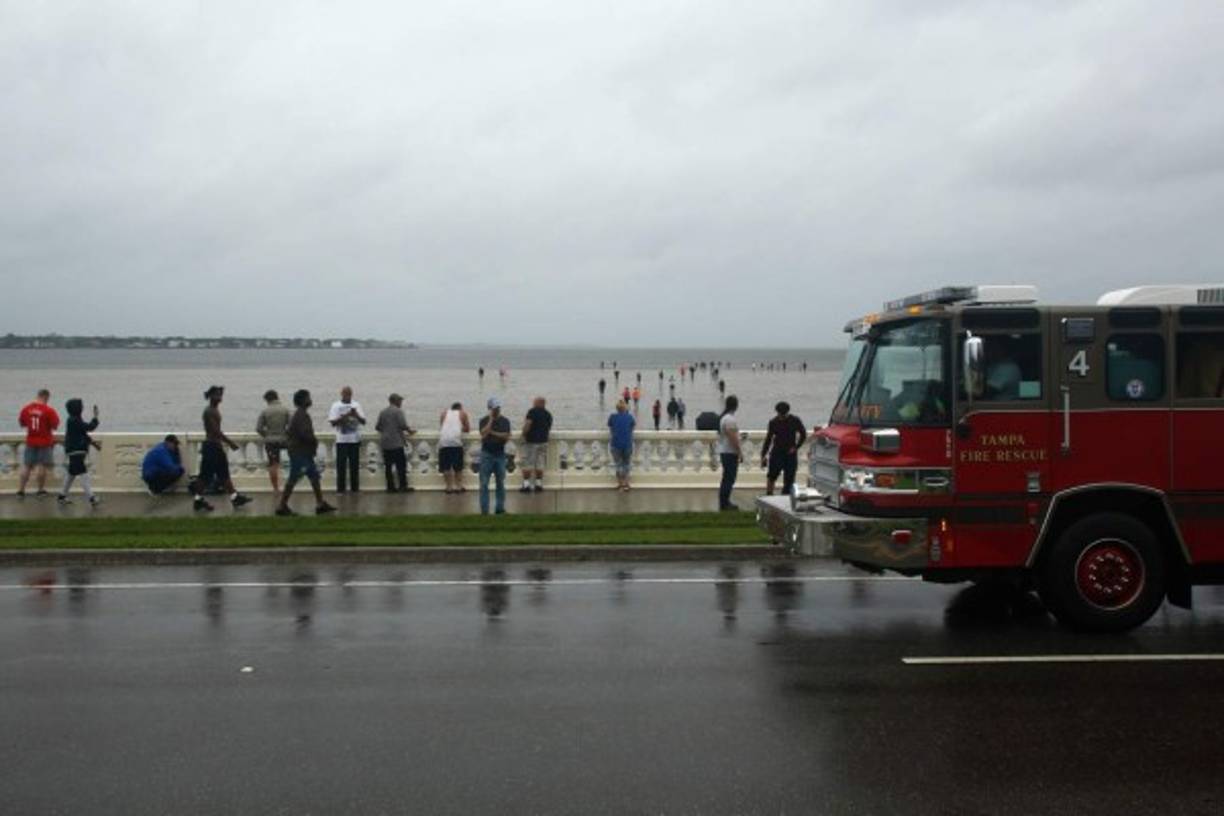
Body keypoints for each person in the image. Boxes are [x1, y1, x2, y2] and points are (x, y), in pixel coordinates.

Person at [276, 389, 336, 516]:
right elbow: (305, 434)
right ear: (303, 400)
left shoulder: (299, 414)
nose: (310, 399)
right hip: (300, 453)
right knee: (294, 478)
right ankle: (282, 506)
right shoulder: (301, 415)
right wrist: (314, 441)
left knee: (314, 477)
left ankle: (320, 504)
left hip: (304, 453)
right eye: (308, 397)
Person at [195, 386, 252, 512]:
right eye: (216, 395)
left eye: (220, 395)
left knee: (223, 473)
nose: (219, 397)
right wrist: (230, 443)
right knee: (205, 476)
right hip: (211, 446)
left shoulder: (214, 410)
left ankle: (234, 497)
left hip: (215, 446)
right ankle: (198, 500)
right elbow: (215, 431)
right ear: (210, 396)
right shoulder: (209, 411)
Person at [16, 389, 60, 498]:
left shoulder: (26, 409)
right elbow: (55, 425)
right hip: (45, 442)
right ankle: (40, 490)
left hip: (30, 441)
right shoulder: (49, 410)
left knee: (27, 466)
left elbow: (22, 423)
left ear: (38, 396)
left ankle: (21, 491)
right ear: (46, 397)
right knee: (41, 466)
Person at [58, 399, 100, 506]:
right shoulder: (74, 420)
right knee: (83, 473)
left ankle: (62, 496)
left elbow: (82, 433)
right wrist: (95, 417)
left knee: (71, 474)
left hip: (74, 451)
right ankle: (92, 498)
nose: (82, 408)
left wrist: (94, 444)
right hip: (76, 451)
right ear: (78, 409)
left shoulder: (73, 420)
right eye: (81, 406)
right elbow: (89, 427)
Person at [761, 401, 807, 496]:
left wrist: (796, 447)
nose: (780, 417)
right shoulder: (773, 422)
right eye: (779, 414)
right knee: (772, 475)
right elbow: (768, 439)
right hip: (777, 452)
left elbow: (803, 434)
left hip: (790, 453)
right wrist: (763, 454)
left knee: (789, 478)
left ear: (787, 412)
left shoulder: (795, 420)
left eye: (782, 415)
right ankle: (769, 494)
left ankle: (786, 496)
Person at [328, 386, 366, 493]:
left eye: (349, 394)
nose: (348, 396)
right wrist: (346, 415)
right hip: (341, 441)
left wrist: (356, 415)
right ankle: (340, 490)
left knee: (354, 466)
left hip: (354, 440)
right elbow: (332, 423)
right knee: (341, 466)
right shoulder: (336, 406)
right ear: (342, 394)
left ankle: (355, 489)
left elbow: (363, 422)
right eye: (345, 394)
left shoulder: (356, 405)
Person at [376, 393, 416, 493]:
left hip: (385, 442)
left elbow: (378, 427)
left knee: (388, 466)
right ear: (396, 401)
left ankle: (390, 487)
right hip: (396, 442)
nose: (401, 402)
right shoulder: (398, 411)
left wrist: (387, 430)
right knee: (401, 466)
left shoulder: (383, 412)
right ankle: (403, 486)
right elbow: (403, 425)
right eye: (400, 401)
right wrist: (410, 431)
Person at [478, 397, 511, 515]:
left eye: (498, 408)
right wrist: (491, 420)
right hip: (486, 454)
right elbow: (483, 434)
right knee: (484, 483)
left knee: (500, 483)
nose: (497, 410)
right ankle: (484, 510)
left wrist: (492, 433)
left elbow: (506, 436)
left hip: (500, 455)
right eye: (494, 408)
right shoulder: (483, 420)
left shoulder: (505, 421)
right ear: (489, 408)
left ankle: (500, 508)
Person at [255, 389, 291, 494]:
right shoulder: (285, 410)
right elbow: (291, 426)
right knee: (293, 460)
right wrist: (285, 434)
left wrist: (266, 435)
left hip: (271, 441)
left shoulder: (265, 411)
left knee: (273, 465)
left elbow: (258, 428)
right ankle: (290, 484)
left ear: (267, 400)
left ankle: (276, 489)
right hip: (284, 440)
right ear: (277, 397)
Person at [520, 396, 553, 493]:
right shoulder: (548, 414)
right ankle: (539, 485)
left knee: (528, 463)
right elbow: (548, 428)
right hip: (543, 441)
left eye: (534, 402)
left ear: (538, 403)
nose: (533, 404)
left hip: (532, 441)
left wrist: (523, 434)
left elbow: (528, 424)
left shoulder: (532, 412)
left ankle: (526, 485)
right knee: (540, 463)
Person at [717, 395, 743, 511]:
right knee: (729, 478)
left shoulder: (724, 418)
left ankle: (724, 502)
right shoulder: (730, 420)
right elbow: (732, 437)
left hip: (725, 451)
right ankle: (725, 503)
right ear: (736, 405)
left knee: (726, 478)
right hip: (729, 452)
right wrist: (739, 451)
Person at [438, 402, 471, 494]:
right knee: (458, 467)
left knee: (446, 467)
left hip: (443, 442)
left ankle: (448, 487)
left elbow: (442, 426)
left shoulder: (444, 413)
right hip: (456, 443)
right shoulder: (463, 413)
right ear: (460, 408)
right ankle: (459, 487)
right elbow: (468, 429)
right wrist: (460, 427)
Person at [607, 399, 635, 491]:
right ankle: (626, 484)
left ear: (617, 408)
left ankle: (620, 484)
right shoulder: (629, 417)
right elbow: (632, 427)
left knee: (618, 464)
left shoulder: (612, 417)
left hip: (616, 443)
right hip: (627, 443)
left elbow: (610, 427)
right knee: (626, 464)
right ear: (625, 408)